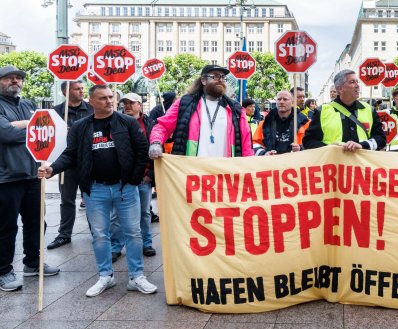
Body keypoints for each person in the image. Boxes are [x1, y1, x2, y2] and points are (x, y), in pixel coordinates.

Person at [38, 85, 157, 297]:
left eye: (111, 97)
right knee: (100, 235)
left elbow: (142, 152)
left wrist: (133, 180)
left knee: (133, 232)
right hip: (95, 190)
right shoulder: (81, 126)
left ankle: (137, 276)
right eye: (103, 98)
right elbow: (71, 154)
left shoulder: (127, 122)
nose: (109, 101)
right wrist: (52, 169)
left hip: (125, 189)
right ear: (91, 102)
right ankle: (105, 276)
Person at [0, 65, 60, 291]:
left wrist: (24, 125)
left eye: (18, 78)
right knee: (6, 227)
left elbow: (47, 130)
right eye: (9, 78)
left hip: (32, 174)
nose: (15, 81)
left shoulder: (27, 105)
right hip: (6, 178)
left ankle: (33, 264)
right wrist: (31, 126)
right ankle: (3, 270)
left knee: (37, 222)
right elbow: (6, 134)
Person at [148, 65, 253, 158]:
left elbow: (246, 142)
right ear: (203, 80)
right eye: (215, 76)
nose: (220, 80)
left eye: (222, 77)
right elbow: (163, 126)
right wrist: (156, 143)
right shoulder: (185, 103)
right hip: (193, 174)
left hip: (225, 174)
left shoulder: (236, 109)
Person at [47, 80, 94, 250]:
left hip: (89, 162)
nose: (82, 91)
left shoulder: (91, 109)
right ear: (66, 92)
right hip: (66, 164)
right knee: (67, 200)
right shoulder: (55, 112)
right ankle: (64, 234)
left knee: (92, 199)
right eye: (77, 89)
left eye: (83, 88)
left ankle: (96, 233)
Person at [110, 93, 157, 259]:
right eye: (125, 103)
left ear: (140, 105)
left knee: (144, 213)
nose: (128, 106)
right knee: (117, 215)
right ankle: (116, 246)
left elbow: (157, 150)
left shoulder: (151, 124)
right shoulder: (114, 123)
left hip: (144, 178)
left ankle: (146, 243)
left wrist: (150, 175)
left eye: (132, 103)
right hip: (123, 179)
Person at [302, 69, 386, 152]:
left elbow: (381, 139)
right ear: (340, 89)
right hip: (334, 164)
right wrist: (331, 149)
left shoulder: (369, 110)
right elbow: (308, 141)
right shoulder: (322, 111)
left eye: (357, 82)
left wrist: (363, 145)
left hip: (362, 164)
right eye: (352, 82)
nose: (357, 85)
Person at [253, 90, 310, 155]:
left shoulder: (304, 122)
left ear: (293, 102)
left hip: (295, 163)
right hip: (271, 163)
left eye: (285, 99)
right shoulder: (265, 123)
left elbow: (311, 144)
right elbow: (255, 143)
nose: (281, 102)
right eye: (279, 99)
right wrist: (264, 153)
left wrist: (300, 148)